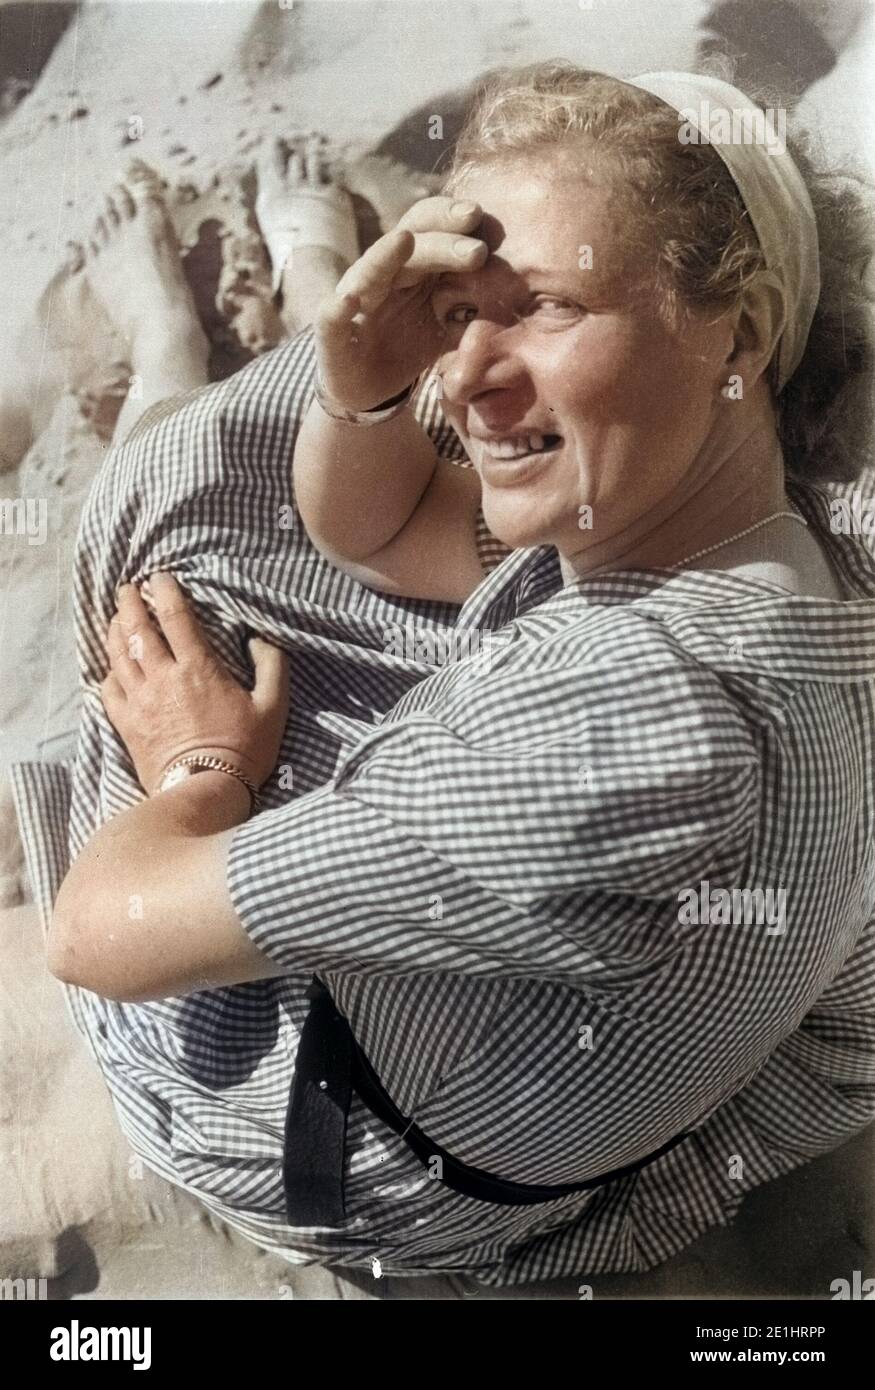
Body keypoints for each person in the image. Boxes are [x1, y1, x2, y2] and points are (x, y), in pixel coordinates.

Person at [14, 62, 875, 1288]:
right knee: (325, 474)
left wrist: (197, 770)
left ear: (737, 326)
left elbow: (100, 933)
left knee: (163, 559)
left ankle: (167, 360)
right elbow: (378, 530)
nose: (463, 372)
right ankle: (305, 299)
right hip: (559, 1025)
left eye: (543, 307)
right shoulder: (765, 542)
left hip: (318, 1131)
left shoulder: (623, 740)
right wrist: (364, 384)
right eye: (451, 311)